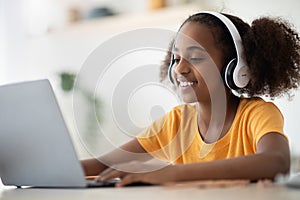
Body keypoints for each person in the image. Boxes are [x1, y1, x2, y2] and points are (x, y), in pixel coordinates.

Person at [81, 11, 300, 187]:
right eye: (176, 59)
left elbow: (276, 162)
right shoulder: (175, 123)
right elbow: (106, 164)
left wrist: (171, 173)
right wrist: (56, 170)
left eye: (195, 57)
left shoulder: (256, 114)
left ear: (235, 68)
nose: (180, 68)